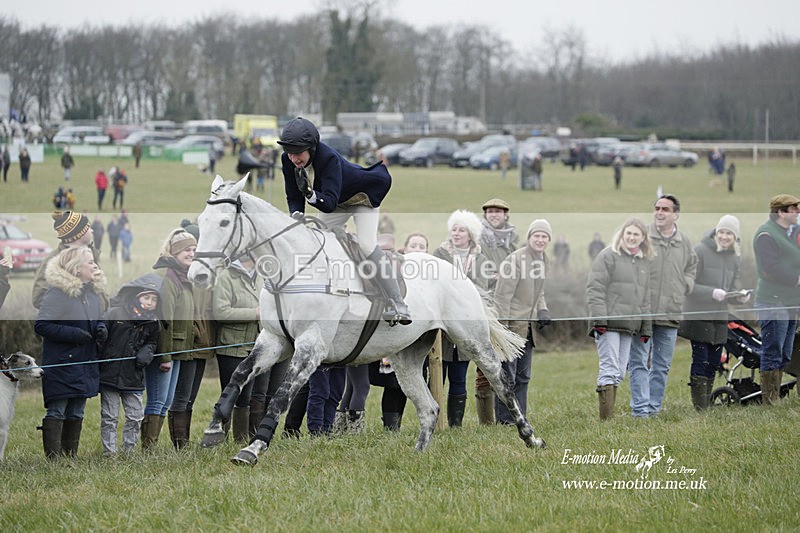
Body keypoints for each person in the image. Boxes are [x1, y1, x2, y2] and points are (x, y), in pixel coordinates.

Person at [278, 116, 410, 325]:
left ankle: (398, 302)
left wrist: (310, 195)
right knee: (315, 241)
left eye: (298, 153)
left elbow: (329, 203)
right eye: (290, 153)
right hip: (334, 201)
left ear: (312, 148)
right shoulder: (287, 160)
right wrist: (296, 215)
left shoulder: (328, 158)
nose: (294, 158)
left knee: (366, 245)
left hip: (361, 198)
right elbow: (293, 194)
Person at [34, 246, 107, 458]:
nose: (94, 265)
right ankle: (54, 459)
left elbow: (99, 318)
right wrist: (74, 334)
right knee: (58, 409)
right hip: (62, 362)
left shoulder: (92, 293)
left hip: (86, 360)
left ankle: (70, 456)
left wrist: (102, 327)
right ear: (76, 268)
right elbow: (42, 325)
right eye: (90, 262)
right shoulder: (57, 293)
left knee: (77, 410)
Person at [628, 195, 697, 418]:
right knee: (639, 362)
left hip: (671, 311)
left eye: (665, 209)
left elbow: (692, 266)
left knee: (662, 365)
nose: (659, 212)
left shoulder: (684, 241)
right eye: (657, 208)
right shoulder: (642, 236)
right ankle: (640, 411)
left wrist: (685, 285)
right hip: (643, 314)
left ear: (676, 214)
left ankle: (653, 408)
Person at [432, 209, 494, 427]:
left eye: (462, 230)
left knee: (459, 378)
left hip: (466, 326)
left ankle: (455, 424)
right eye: (454, 229)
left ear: (471, 235)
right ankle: (434, 421)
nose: (456, 234)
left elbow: (482, 289)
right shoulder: (439, 255)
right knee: (437, 377)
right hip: (442, 327)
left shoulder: (481, 259)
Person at [586, 217, 652, 420]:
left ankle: (609, 416)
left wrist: (646, 328)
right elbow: (595, 288)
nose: (632, 237)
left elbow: (645, 298)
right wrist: (600, 320)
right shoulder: (608, 255)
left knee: (620, 372)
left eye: (636, 234)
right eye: (628, 233)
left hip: (629, 326)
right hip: (608, 324)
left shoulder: (643, 262)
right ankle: (606, 421)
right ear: (622, 234)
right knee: (609, 368)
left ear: (643, 238)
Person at [678, 215, 745, 410]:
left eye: (729, 233)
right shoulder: (700, 251)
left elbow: (730, 288)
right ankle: (700, 407)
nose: (724, 236)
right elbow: (687, 284)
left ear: (735, 237)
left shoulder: (734, 257)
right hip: (698, 315)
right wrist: (711, 293)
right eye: (721, 232)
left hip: (719, 317)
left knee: (715, 361)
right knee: (701, 358)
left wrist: (738, 297)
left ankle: (706, 401)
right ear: (716, 233)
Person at [494, 219, 553, 424]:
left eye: (544, 236)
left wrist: (543, 310)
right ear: (529, 237)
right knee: (507, 377)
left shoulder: (544, 260)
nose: (540, 240)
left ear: (549, 240)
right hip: (511, 328)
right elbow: (502, 297)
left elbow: (539, 291)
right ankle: (505, 420)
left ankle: (521, 417)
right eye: (536, 235)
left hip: (528, 328)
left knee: (523, 376)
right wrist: (502, 331)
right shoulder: (515, 260)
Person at [142, 228, 196, 449]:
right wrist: (165, 356)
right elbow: (164, 321)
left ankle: (151, 447)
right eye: (187, 250)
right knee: (157, 400)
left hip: (176, 349)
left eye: (194, 250)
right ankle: (148, 449)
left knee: (165, 401)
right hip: (165, 351)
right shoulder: (168, 277)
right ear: (174, 252)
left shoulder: (182, 275)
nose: (192, 254)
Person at [371, 232, 430, 431]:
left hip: (418, 334)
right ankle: (390, 427)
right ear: (405, 248)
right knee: (392, 382)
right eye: (413, 245)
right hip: (395, 331)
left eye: (422, 246)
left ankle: (400, 423)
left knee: (408, 381)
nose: (418, 249)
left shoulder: (429, 273)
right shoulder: (396, 267)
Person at [99, 273, 163, 456]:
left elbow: (152, 342)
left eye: (154, 300)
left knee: (135, 416)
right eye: (146, 298)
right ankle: (109, 453)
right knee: (110, 417)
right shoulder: (116, 312)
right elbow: (101, 330)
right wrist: (101, 331)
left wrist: (147, 353)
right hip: (110, 375)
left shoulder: (154, 322)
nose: (149, 303)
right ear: (137, 297)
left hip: (134, 376)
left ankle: (129, 451)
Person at [213, 255, 270, 442]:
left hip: (257, 345)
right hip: (233, 346)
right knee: (232, 395)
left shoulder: (262, 275)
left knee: (248, 398)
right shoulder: (226, 276)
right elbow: (220, 311)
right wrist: (255, 313)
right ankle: (219, 437)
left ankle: (241, 440)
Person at [753, 194, 800, 405]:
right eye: (793, 209)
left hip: (789, 303)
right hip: (772, 303)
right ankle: (770, 401)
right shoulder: (766, 234)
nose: (797, 212)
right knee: (772, 352)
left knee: (785, 353)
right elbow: (769, 269)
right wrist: (797, 279)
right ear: (780, 212)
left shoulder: (786, 234)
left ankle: (775, 397)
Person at [477, 197, 519, 425]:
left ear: (505, 215)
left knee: (506, 363)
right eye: (490, 211)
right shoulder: (478, 239)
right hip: (485, 303)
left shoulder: (514, 241)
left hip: (508, 306)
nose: (494, 214)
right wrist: (495, 276)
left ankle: (507, 416)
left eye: (498, 211)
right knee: (484, 364)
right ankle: (486, 420)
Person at [32, 211, 99, 310]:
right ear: (79, 234)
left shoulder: (89, 256)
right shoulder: (52, 262)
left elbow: (99, 293)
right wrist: (73, 310)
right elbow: (38, 298)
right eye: (88, 228)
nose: (92, 231)